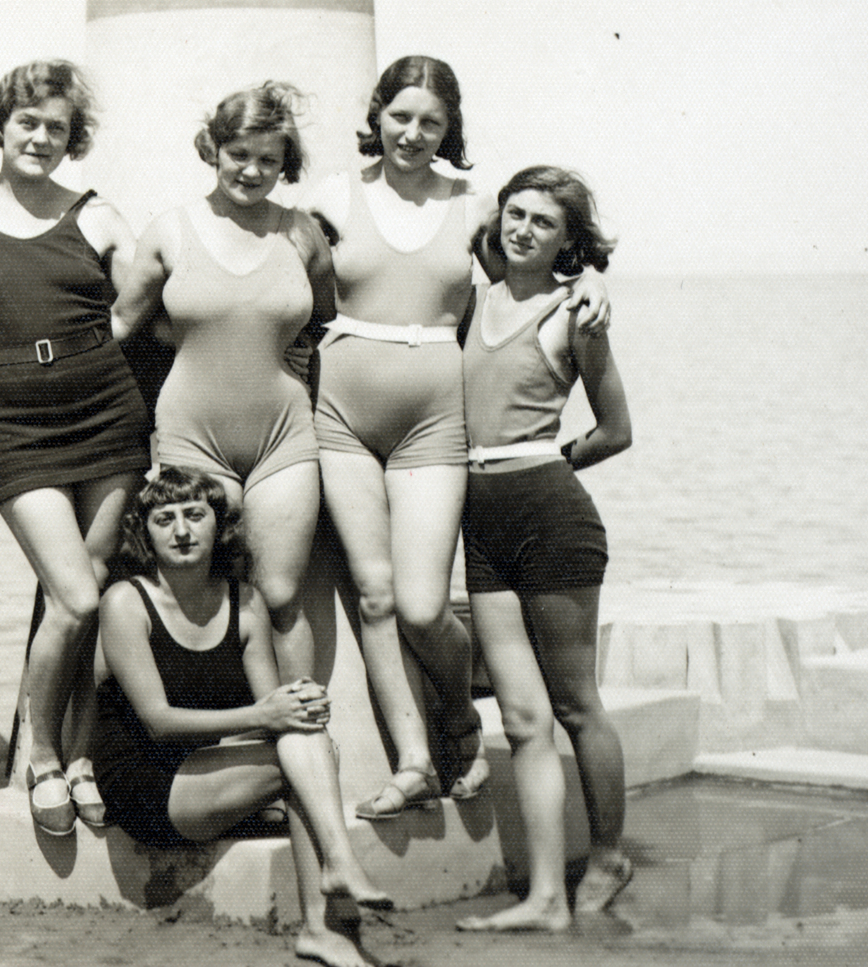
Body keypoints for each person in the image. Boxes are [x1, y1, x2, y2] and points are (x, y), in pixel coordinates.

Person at [301, 55, 610, 818]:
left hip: (434, 422)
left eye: (430, 122)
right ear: (377, 115)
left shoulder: (474, 204)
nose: (412, 132)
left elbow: (529, 278)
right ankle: (414, 758)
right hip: (339, 414)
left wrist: (591, 282)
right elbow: (289, 286)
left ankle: (462, 709)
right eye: (400, 116)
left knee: (419, 604)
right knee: (372, 595)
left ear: (450, 129)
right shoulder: (334, 195)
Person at [0, 60, 149, 836]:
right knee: (77, 595)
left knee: (89, 594)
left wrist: (104, 343)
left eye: (57, 128)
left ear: (71, 139)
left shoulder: (97, 215)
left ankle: (81, 759)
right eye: (28, 122)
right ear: (1, 125)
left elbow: (155, 292)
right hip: (14, 419)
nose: (41, 138)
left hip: (106, 412)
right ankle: (43, 755)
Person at [94, 468, 390, 967]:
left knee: (306, 738)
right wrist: (267, 712)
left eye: (195, 515)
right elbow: (158, 722)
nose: (182, 531)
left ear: (218, 524)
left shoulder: (245, 601)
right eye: (164, 520)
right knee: (298, 754)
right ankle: (330, 899)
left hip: (207, 767)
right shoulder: (126, 602)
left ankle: (328, 904)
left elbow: (268, 713)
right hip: (146, 784)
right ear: (145, 533)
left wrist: (298, 705)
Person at [453, 166, 632, 931]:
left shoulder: (576, 314)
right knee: (523, 717)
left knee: (575, 703)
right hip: (478, 520)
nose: (523, 228)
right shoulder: (470, 295)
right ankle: (544, 898)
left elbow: (617, 429)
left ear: (567, 241)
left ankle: (609, 854)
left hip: (550, 517)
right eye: (514, 213)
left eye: (543, 222)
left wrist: (550, 461)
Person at [113, 81, 331, 693]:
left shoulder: (301, 233)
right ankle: (217, 739)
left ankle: (302, 740)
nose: (253, 170)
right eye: (240, 154)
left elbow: (327, 316)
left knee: (281, 594)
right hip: (192, 434)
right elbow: (123, 324)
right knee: (192, 594)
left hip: (283, 437)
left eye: (270, 159)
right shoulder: (171, 230)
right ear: (214, 148)